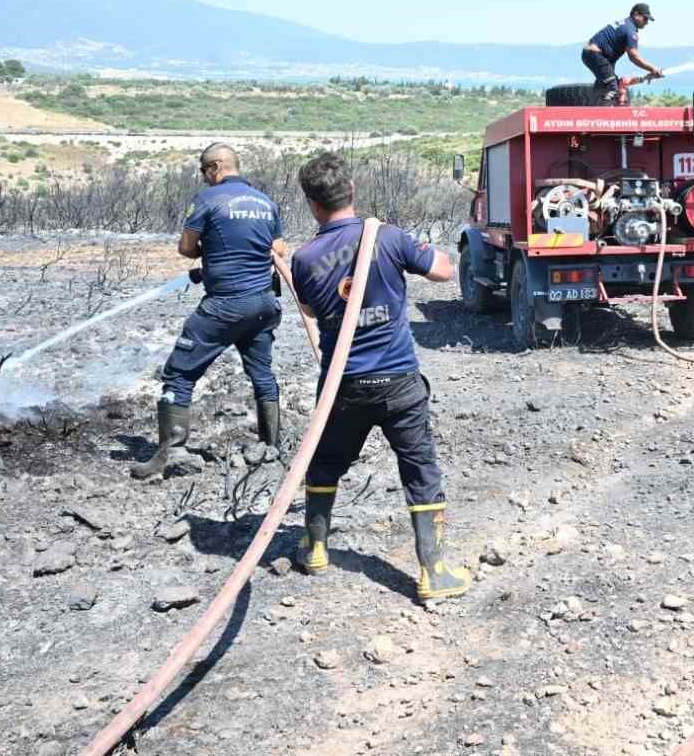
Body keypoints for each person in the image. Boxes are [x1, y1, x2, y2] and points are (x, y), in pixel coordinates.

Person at [288, 151, 471, 602]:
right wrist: (425, 250)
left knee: (326, 463)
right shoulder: (387, 237)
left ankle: (314, 548)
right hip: (399, 384)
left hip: (342, 387)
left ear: (313, 204)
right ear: (351, 191)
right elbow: (444, 271)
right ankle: (433, 572)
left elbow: (310, 310)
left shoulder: (305, 257)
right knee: (419, 469)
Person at [131, 143, 286, 480]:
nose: (204, 178)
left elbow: (187, 248)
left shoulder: (208, 200)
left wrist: (211, 256)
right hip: (263, 304)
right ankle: (272, 449)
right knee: (262, 374)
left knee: (179, 374)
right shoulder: (265, 202)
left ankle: (169, 455)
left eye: (204, 171)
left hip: (224, 305)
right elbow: (278, 248)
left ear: (215, 167)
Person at [583, 2, 664, 103]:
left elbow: (624, 82)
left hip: (595, 55)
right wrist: (653, 68)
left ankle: (592, 113)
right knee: (612, 89)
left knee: (605, 87)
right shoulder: (630, 30)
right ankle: (602, 115)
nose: (647, 22)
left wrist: (645, 77)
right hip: (596, 54)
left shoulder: (625, 24)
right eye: (645, 18)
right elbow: (634, 57)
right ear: (636, 14)